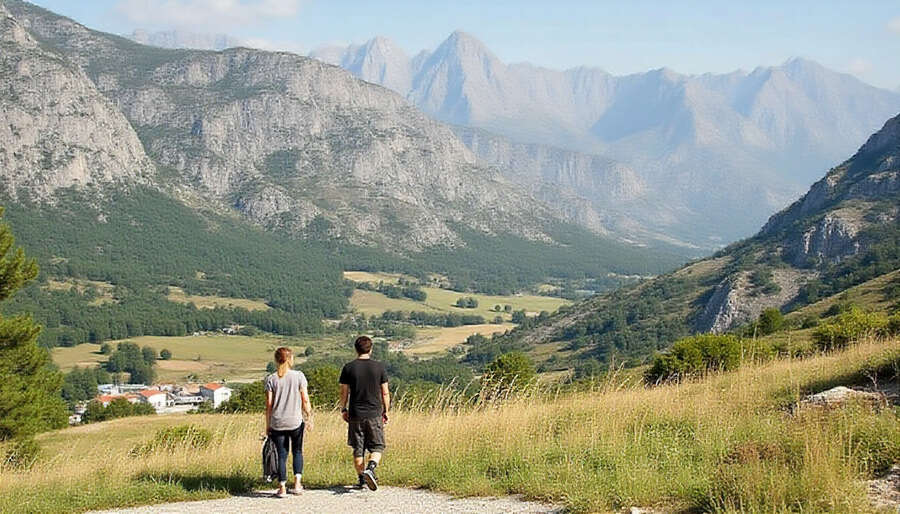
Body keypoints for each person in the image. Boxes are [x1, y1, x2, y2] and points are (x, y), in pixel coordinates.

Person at [339, 336, 390, 491]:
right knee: (378, 446)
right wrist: (386, 410)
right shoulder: (379, 367)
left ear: (356, 349)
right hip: (374, 412)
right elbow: (385, 393)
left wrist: (343, 408)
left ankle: (362, 479)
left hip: (355, 413)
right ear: (371, 348)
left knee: (358, 447)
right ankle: (371, 467)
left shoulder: (348, 368)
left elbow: (344, 391)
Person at [265, 347, 312, 498]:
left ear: (276, 360)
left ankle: (282, 487)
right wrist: (309, 416)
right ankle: (297, 485)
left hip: (277, 422)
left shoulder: (271, 379)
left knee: (281, 454)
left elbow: (269, 405)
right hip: (295, 421)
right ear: (291, 359)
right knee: (297, 451)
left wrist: (268, 424)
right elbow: (305, 399)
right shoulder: (299, 376)